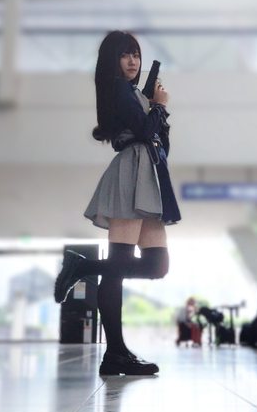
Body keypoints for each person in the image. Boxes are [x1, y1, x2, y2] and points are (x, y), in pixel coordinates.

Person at [54, 31, 181, 376]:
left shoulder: (134, 93)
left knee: (157, 265)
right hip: (131, 172)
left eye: (136, 54)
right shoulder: (117, 89)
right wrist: (159, 106)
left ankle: (82, 267)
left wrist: (156, 109)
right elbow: (145, 132)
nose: (133, 61)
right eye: (125, 55)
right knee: (119, 264)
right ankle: (115, 354)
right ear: (113, 60)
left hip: (150, 176)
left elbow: (160, 142)